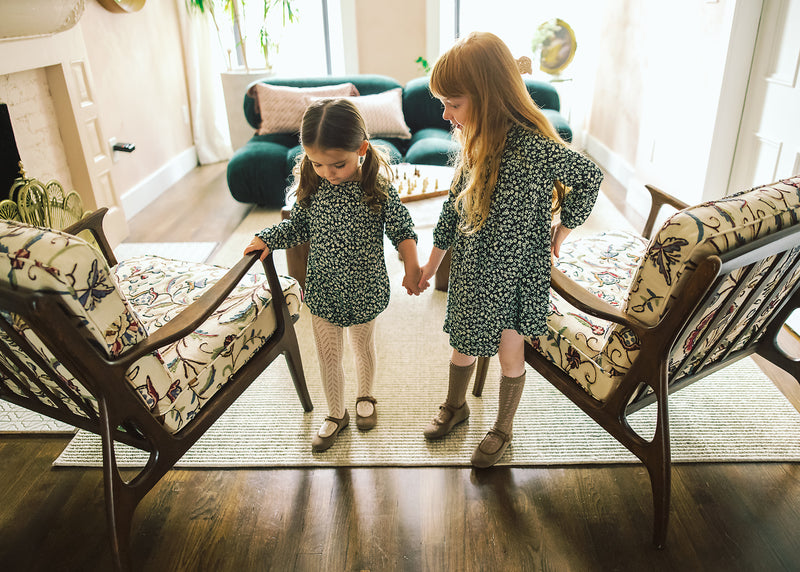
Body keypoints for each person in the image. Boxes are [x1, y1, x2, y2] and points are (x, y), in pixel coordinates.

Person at [417, 31, 603, 468]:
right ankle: (456, 407)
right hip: (472, 271)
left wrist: (563, 228)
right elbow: (451, 211)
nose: (445, 114)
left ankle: (503, 425)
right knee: (462, 343)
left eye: (453, 103)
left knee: (510, 351)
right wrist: (431, 264)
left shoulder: (537, 145)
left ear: (487, 95)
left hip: (518, 274)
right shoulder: (474, 142)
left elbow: (589, 177)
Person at [245, 98, 422, 452]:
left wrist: (412, 265)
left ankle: (366, 395)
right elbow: (296, 228)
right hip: (324, 289)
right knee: (328, 355)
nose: (328, 171)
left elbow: (402, 228)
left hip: (365, 287)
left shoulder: (377, 187)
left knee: (362, 346)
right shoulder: (313, 187)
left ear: (361, 148)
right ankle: (336, 413)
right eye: (317, 163)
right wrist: (267, 238)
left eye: (337, 164)